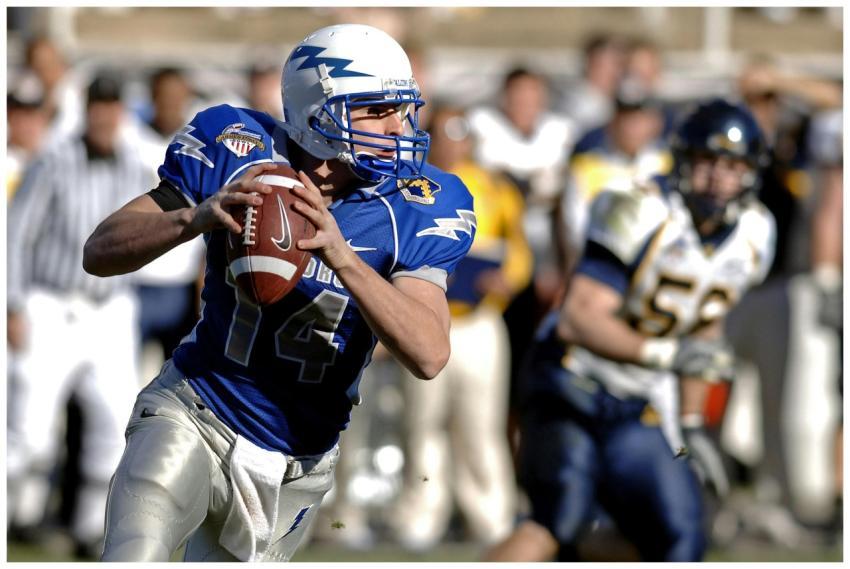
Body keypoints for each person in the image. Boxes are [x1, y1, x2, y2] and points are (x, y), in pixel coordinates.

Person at [82, 24, 474, 562]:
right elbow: (100, 251)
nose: (399, 127)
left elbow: (429, 353)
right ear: (320, 112)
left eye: (402, 110)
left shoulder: (420, 202)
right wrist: (193, 218)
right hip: (197, 409)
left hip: (298, 461)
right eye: (377, 111)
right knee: (133, 555)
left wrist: (343, 258)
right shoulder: (239, 148)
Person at [485, 99, 776, 562]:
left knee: (680, 538)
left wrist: (694, 422)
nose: (719, 177)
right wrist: (664, 356)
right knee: (558, 520)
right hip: (570, 379)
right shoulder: (638, 207)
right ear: (682, 160)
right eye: (707, 162)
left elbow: (705, 323)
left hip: (639, 399)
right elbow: (580, 317)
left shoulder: (756, 232)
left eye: (733, 166)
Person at [7, 72, 151, 558]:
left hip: (111, 309)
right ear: (86, 110)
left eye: (113, 106)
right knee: (29, 431)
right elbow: (17, 232)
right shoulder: (54, 159)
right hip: (53, 303)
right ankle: (14, 517)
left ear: (122, 112)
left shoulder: (134, 164)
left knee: (113, 426)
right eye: (98, 105)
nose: (105, 116)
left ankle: (91, 531)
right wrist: (12, 304)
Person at [390, 105, 532, 550]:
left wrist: (507, 281)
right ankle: (422, 514)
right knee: (423, 422)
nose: (453, 143)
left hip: (479, 320)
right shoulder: (410, 183)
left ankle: (490, 515)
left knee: (481, 423)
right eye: (445, 134)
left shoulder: (496, 188)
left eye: (460, 134)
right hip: (425, 317)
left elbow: (520, 252)